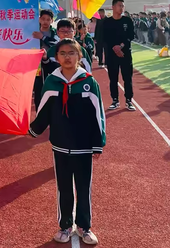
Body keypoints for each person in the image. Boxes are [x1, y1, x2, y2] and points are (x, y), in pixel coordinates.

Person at [29, 38, 104, 245]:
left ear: (79, 56)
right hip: (60, 145)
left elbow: (98, 114)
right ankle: (65, 226)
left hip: (84, 145)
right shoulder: (52, 82)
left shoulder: (89, 82)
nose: (67, 57)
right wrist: (33, 130)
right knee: (63, 188)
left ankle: (84, 226)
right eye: (62, 53)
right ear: (57, 57)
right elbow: (44, 111)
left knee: (83, 188)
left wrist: (98, 143)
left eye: (72, 53)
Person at [103, 0, 136, 111]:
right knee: (113, 78)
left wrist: (121, 46)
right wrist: (115, 48)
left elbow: (131, 36)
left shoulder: (127, 20)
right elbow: (105, 37)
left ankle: (128, 100)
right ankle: (115, 100)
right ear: (113, 7)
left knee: (127, 78)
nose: (121, 8)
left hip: (125, 54)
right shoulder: (107, 22)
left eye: (123, 6)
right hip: (112, 55)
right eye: (119, 5)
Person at [32, 10, 58, 111]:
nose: (45, 22)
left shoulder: (54, 32)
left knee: (52, 89)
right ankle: (39, 114)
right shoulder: (33, 31)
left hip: (52, 65)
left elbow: (56, 43)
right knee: (38, 90)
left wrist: (42, 37)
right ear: (39, 19)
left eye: (48, 19)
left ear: (52, 21)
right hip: (37, 66)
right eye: (43, 19)